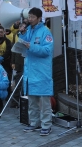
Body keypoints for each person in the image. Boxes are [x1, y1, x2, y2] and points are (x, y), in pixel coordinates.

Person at [21, 7, 54, 136]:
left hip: (42, 72)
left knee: (44, 102)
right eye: (29, 17)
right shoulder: (28, 30)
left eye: (32, 17)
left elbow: (47, 51)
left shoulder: (46, 32)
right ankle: (34, 123)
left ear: (39, 18)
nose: (30, 19)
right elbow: (23, 44)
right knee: (32, 101)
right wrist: (22, 34)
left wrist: (32, 47)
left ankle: (46, 125)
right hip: (30, 71)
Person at [10, 22, 28, 108]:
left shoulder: (29, 35)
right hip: (18, 62)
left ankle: (24, 101)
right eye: (20, 26)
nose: (21, 27)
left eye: (23, 26)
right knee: (18, 82)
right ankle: (15, 101)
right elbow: (14, 49)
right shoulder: (16, 35)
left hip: (27, 61)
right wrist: (13, 62)